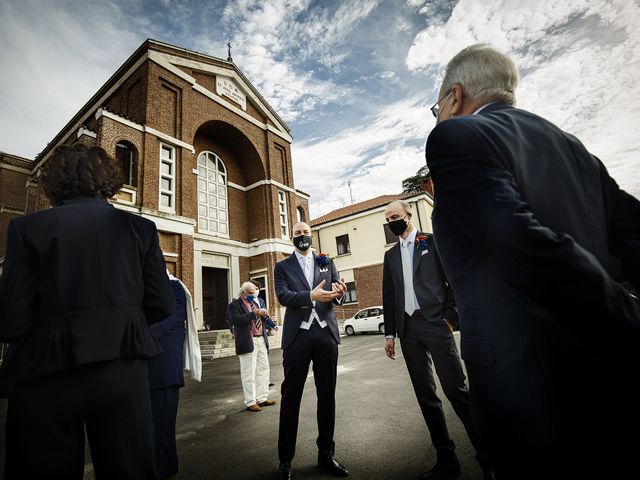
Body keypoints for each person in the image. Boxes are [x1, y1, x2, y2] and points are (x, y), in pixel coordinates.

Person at [425, 44, 640, 478]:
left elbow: (527, 248)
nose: (439, 116)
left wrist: (629, 322)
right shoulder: (575, 149)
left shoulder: (457, 136)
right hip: (606, 384)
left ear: (456, 95)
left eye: (437, 106)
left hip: (525, 391)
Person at [0, 144, 173, 479]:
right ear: (108, 180)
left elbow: (11, 319)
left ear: (54, 182)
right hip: (123, 368)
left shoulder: (27, 228)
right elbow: (161, 304)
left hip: (45, 371)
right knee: (130, 470)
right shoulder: (140, 228)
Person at [382, 200, 492, 480]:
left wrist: (452, 316)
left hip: (436, 324)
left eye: (395, 216)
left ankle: (489, 460)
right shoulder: (391, 256)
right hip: (408, 331)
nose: (391, 221)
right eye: (388, 219)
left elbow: (455, 279)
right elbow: (390, 296)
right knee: (426, 398)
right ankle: (447, 461)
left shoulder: (431, 242)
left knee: (457, 392)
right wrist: (390, 334)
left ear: (408, 215)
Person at [274, 222, 349, 480]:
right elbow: (283, 296)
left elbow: (337, 292)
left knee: (327, 395)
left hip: (326, 334)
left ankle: (326, 454)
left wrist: (339, 293)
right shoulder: (282, 267)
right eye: (297, 233)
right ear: (291, 238)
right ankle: (285, 461)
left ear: (311, 235)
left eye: (306, 232)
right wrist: (311, 296)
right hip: (297, 337)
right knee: (291, 397)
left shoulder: (326, 261)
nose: (302, 235)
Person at [148, 271, 202, 480]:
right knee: (147, 426)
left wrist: (136, 336)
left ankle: (165, 469)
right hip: (144, 368)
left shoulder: (174, 287)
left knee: (163, 424)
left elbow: (172, 318)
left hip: (164, 368)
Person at [227, 282, 276, 412]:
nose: (252, 295)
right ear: (243, 292)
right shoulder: (234, 305)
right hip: (248, 341)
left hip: (261, 339)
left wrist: (264, 315)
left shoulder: (255, 303)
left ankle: (262, 398)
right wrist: (254, 314)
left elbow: (262, 319)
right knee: (249, 372)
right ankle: (250, 401)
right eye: (250, 293)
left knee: (263, 369)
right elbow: (236, 320)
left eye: (253, 292)